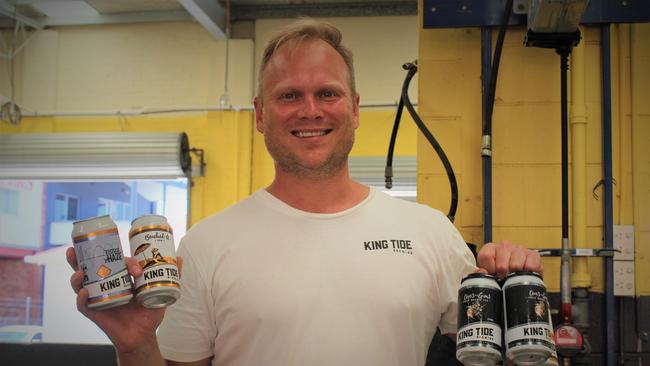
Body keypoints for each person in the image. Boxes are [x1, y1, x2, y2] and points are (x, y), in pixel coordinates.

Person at [66, 19, 542, 366]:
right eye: (289, 96)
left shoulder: (431, 233)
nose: (309, 110)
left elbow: (503, 351)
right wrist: (134, 347)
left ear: (355, 109)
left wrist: (513, 282)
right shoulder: (206, 247)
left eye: (328, 94)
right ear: (259, 114)